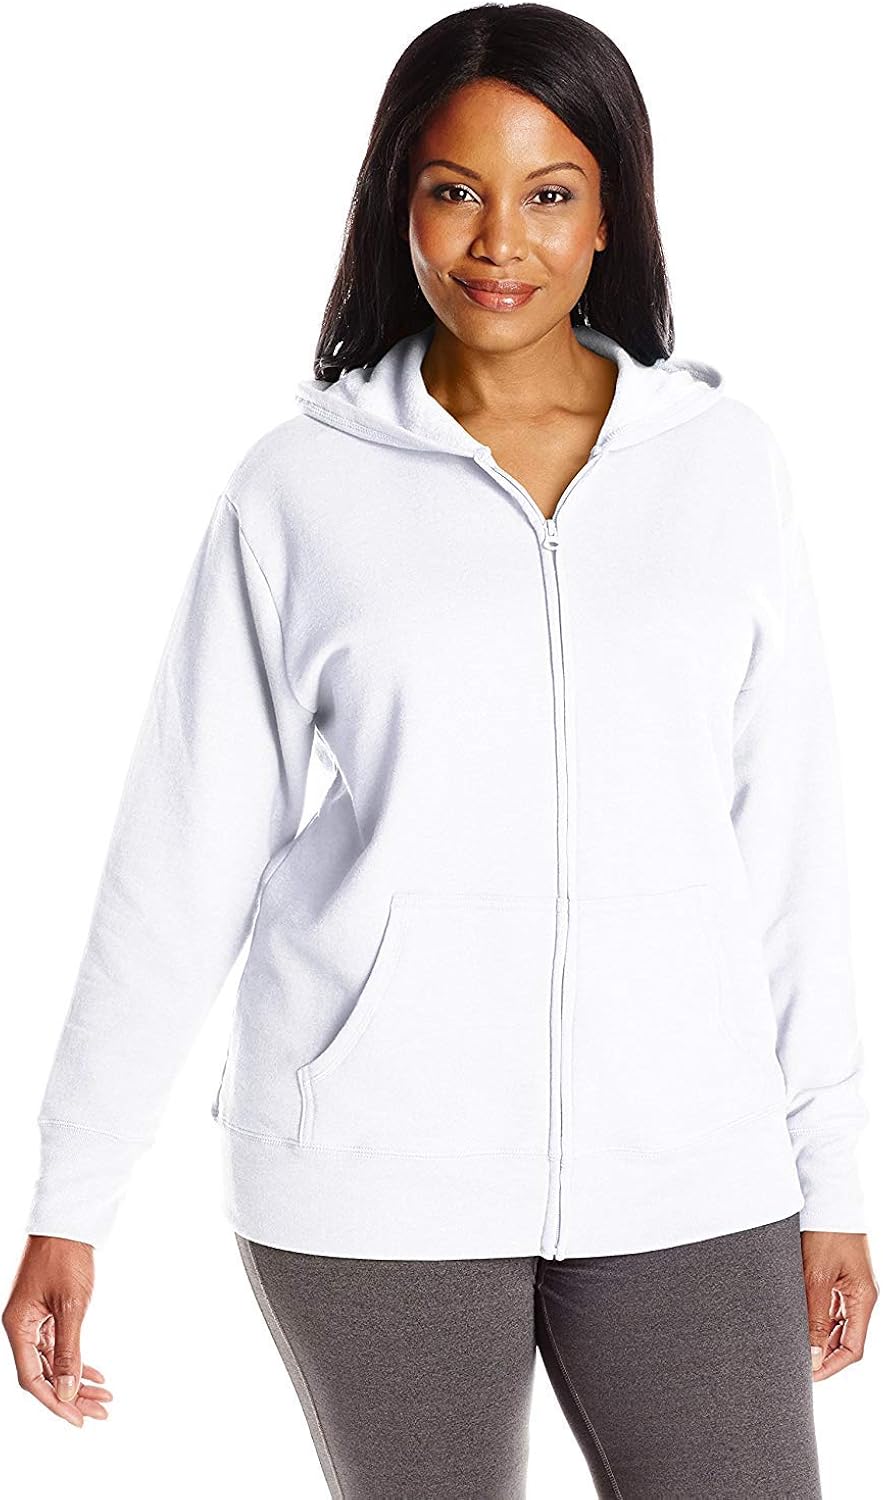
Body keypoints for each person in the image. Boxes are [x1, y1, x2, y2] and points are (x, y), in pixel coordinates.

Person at [4, 4, 878, 1495]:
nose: (499, 240)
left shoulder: (725, 469)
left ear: (611, 214)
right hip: (372, 1174)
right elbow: (183, 851)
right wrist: (72, 1198)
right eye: (454, 189)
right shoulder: (299, 488)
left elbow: (790, 839)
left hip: (691, 1159)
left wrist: (834, 1172)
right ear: (395, 204)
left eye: (549, 193)